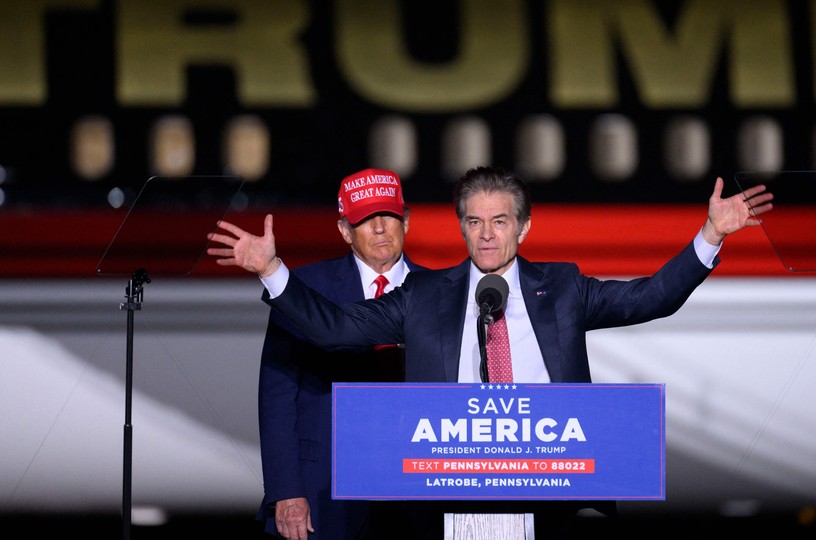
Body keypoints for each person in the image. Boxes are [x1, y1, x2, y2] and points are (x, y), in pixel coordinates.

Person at [208, 165, 773, 538]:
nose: (486, 235)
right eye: (474, 222)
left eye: (499, 221)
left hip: (550, 491)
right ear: (460, 228)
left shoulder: (563, 288)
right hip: (448, 498)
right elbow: (336, 329)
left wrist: (710, 236)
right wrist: (272, 269)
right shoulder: (424, 295)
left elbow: (649, 298)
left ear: (522, 228)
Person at [255, 168, 426, 540]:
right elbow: (277, 395)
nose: (379, 228)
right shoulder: (302, 290)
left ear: (406, 221)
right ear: (345, 231)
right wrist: (287, 490)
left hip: (416, 490)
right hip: (324, 489)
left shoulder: (440, 290)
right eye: (365, 219)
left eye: (388, 215)